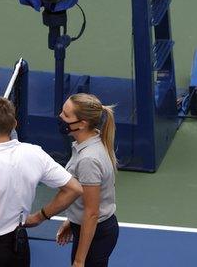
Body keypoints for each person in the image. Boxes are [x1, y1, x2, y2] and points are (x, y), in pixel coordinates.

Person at [0, 96, 83, 267]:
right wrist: (41, 216)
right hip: (18, 247)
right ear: (14, 125)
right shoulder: (35, 153)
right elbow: (75, 189)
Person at [55, 93, 119, 267]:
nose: (60, 117)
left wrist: (79, 260)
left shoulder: (88, 160)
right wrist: (72, 220)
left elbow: (92, 212)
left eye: (66, 115)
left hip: (95, 233)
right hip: (90, 229)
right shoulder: (92, 142)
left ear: (82, 124)